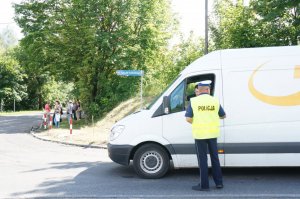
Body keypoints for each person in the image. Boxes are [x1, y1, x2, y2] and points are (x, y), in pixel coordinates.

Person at [185, 82, 226, 191]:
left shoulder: (194, 101)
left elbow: (188, 118)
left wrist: (197, 122)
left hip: (200, 134)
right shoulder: (215, 101)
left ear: (199, 90)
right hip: (212, 133)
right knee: (215, 158)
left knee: (202, 160)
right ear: (208, 90)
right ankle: (219, 183)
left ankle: (204, 185)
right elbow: (223, 115)